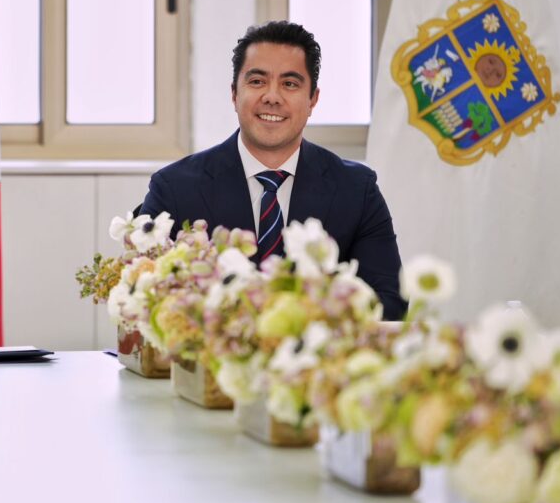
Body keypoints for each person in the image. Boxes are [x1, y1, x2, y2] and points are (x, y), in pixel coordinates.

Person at [140, 21, 406, 320]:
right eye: (257, 81)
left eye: (290, 84)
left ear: (313, 100)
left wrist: (302, 324)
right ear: (234, 94)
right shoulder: (174, 188)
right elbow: (146, 295)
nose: (272, 96)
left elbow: (389, 301)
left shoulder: (356, 190)